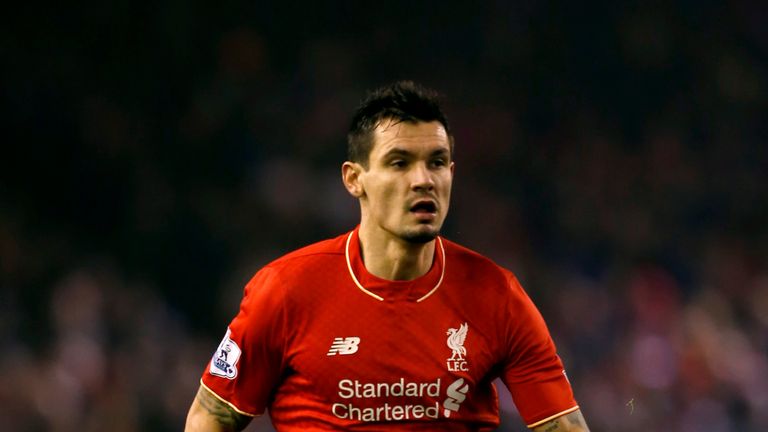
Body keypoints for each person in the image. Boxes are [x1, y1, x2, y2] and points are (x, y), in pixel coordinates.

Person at [185, 81, 590, 431]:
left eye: (436, 163)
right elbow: (211, 414)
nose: (423, 180)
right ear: (354, 179)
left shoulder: (498, 296)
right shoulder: (286, 290)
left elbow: (564, 425)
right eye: (399, 163)